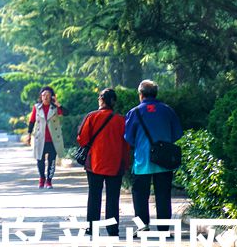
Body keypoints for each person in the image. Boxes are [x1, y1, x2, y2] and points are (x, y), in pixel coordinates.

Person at [124, 79, 183, 229]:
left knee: (139, 195)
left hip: (143, 161)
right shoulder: (167, 110)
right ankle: (164, 229)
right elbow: (177, 133)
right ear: (155, 94)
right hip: (164, 161)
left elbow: (128, 138)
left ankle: (142, 226)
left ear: (141, 94)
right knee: (163, 195)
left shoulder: (135, 112)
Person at [77, 88, 128, 236]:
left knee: (94, 195)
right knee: (113, 197)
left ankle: (92, 227)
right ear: (114, 102)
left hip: (94, 163)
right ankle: (112, 229)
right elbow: (126, 144)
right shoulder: (121, 120)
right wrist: (125, 162)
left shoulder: (91, 117)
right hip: (115, 163)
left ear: (101, 100)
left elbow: (82, 139)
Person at [26, 86, 66, 188]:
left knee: (52, 161)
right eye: (44, 95)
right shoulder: (37, 107)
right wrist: (29, 134)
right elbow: (32, 121)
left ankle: (49, 180)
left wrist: (58, 104)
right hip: (40, 138)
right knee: (40, 160)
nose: (45, 97)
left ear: (52, 97)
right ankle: (42, 178)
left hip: (53, 139)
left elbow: (66, 113)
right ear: (41, 96)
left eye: (48, 95)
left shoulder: (55, 108)